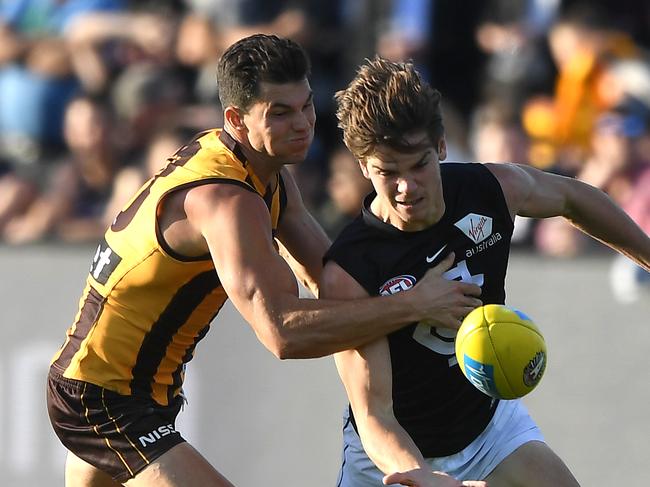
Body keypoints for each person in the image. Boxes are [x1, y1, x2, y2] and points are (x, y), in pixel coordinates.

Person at [45, 35, 483, 487]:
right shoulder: (227, 201)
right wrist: (414, 304)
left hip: (137, 391)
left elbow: (332, 275)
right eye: (280, 113)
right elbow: (283, 332)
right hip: (103, 398)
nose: (303, 125)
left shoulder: (261, 170)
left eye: (306, 106)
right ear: (236, 119)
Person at [322, 56, 650, 487]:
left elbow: (573, 198)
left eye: (419, 164)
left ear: (441, 147)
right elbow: (374, 414)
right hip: (392, 460)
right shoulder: (352, 269)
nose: (407, 187)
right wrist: (425, 477)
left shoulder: (488, 190)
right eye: (387, 172)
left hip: (488, 430)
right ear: (363, 167)